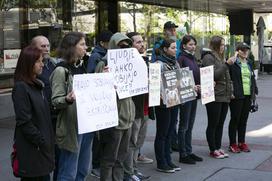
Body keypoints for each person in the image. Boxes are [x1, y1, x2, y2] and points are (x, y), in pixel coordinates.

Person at [50, 32, 94, 180]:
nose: (85, 47)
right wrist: (67, 99)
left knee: (82, 169)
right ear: (71, 47)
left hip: (86, 125)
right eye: (82, 44)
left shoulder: (81, 66)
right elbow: (56, 100)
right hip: (71, 128)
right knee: (68, 171)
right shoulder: (60, 70)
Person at [12, 46, 54, 180]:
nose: (42, 64)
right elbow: (24, 121)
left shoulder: (37, 85)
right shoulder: (21, 87)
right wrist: (42, 141)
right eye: (39, 61)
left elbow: (44, 114)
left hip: (41, 149)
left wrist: (67, 100)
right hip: (33, 150)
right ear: (29, 64)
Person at [97, 32, 136, 181]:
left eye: (126, 46)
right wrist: (104, 78)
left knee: (121, 157)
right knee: (109, 158)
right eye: (120, 46)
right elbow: (97, 91)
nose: (124, 49)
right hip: (114, 119)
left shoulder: (130, 63)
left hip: (128, 116)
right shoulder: (103, 63)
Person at [123, 32, 151, 181]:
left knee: (138, 142)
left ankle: (134, 169)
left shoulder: (144, 60)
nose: (142, 44)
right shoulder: (127, 63)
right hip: (134, 109)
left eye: (142, 41)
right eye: (138, 42)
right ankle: (128, 172)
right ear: (130, 45)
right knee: (131, 143)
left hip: (145, 106)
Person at [30, 35, 60, 181]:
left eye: (48, 46)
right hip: (41, 122)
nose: (47, 49)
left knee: (57, 158)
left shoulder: (53, 64)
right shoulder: (30, 72)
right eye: (43, 46)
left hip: (55, 118)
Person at [202, 35, 235, 159]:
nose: (223, 47)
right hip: (214, 95)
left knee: (220, 123)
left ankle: (218, 147)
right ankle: (213, 149)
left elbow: (227, 77)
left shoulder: (220, 57)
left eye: (224, 45)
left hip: (224, 95)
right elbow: (213, 75)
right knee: (213, 123)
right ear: (215, 45)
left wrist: (230, 91)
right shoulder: (208, 57)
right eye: (221, 45)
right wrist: (226, 64)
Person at [87, 30, 113, 179]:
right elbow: (91, 77)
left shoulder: (105, 55)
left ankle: (99, 163)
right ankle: (96, 165)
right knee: (98, 138)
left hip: (104, 100)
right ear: (104, 43)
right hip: (98, 101)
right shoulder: (97, 57)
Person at [154, 39, 181, 173]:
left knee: (170, 132)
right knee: (162, 133)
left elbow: (181, 80)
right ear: (165, 49)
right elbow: (154, 84)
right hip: (163, 103)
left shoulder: (175, 63)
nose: (175, 50)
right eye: (172, 48)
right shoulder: (158, 64)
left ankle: (168, 160)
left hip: (174, 100)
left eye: (175, 48)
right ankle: (161, 162)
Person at [177, 35, 203, 164]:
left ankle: (189, 150)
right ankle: (183, 154)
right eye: (190, 44)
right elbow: (179, 78)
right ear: (184, 45)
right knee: (184, 126)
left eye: (194, 44)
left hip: (194, 95)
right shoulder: (181, 58)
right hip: (186, 96)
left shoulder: (192, 58)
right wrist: (192, 86)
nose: (193, 46)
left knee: (190, 125)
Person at [228, 42, 258, 153]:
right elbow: (228, 77)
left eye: (247, 50)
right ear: (238, 51)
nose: (245, 52)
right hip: (236, 95)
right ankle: (232, 144)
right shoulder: (233, 62)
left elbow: (252, 78)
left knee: (243, 120)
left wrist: (254, 91)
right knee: (235, 119)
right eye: (242, 50)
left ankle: (241, 142)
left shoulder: (249, 63)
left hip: (248, 94)